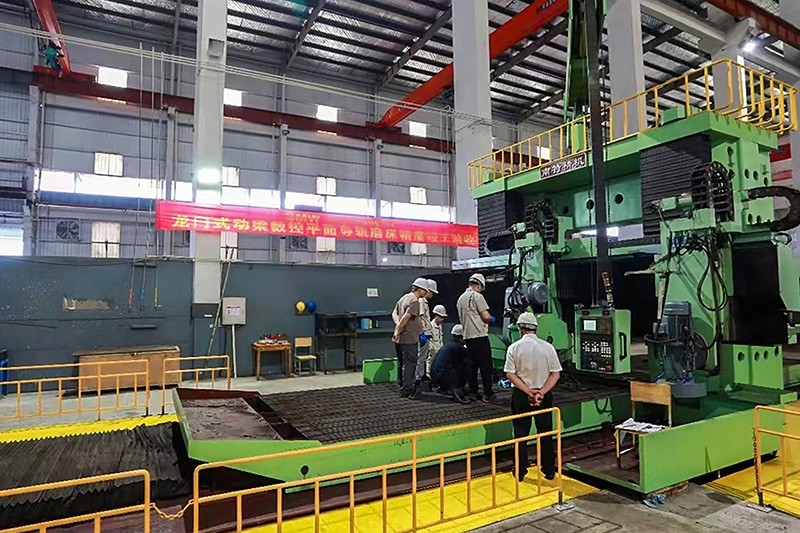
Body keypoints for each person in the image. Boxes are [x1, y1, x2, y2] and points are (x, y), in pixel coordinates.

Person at [503, 312, 562, 482]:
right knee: (545, 433)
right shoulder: (548, 347)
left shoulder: (514, 348)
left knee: (520, 434)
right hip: (544, 395)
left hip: (521, 396)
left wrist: (528, 392)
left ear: (520, 328)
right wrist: (541, 392)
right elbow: (555, 374)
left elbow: (510, 374)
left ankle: (520, 471)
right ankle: (549, 470)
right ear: (536, 328)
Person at [456, 272, 496, 401]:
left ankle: (473, 391)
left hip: (467, 337)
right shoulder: (477, 297)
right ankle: (488, 394)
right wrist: (492, 319)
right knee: (486, 366)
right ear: (479, 285)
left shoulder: (460, 298)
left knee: (472, 366)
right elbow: (485, 316)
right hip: (480, 336)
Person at [393, 278, 428, 399]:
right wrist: (399, 330)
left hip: (401, 338)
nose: (426, 293)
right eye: (425, 290)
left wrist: (398, 327)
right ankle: (407, 389)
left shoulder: (403, 298)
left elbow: (394, 313)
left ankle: (402, 385)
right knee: (410, 364)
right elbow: (407, 317)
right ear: (420, 289)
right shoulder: (414, 301)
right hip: (409, 338)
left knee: (403, 362)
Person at [430, 325, 470, 404]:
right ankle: (457, 389)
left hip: (434, 375)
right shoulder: (458, 347)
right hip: (443, 376)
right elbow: (463, 363)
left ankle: (444, 388)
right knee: (466, 367)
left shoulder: (449, 344)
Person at [427, 304, 447, 374]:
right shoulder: (430, 326)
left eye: (443, 317)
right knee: (430, 362)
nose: (442, 319)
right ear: (436, 315)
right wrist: (432, 348)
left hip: (439, 348)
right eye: (440, 317)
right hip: (432, 350)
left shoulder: (440, 326)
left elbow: (440, 338)